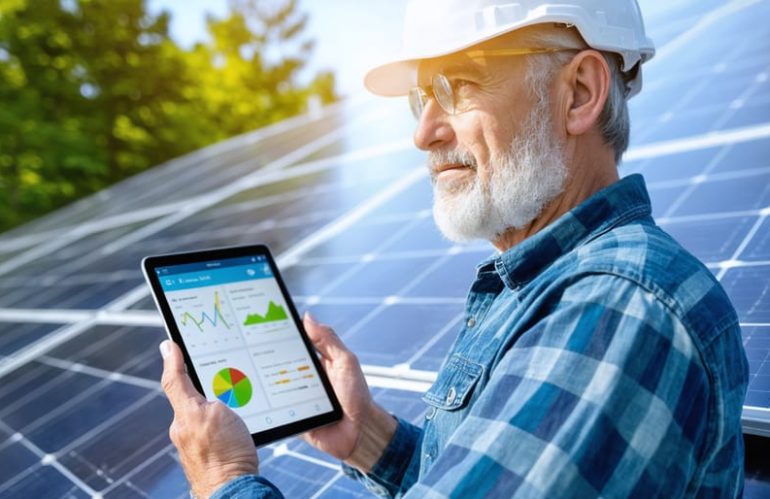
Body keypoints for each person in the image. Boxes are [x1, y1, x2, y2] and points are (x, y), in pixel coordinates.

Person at [159, 0, 749, 497]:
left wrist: (224, 478)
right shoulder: (561, 285)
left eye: (460, 85)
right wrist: (369, 438)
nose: (424, 132)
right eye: (422, 98)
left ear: (579, 94)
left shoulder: (618, 305)